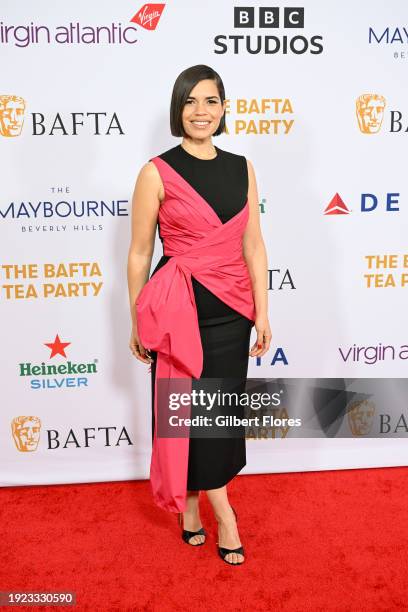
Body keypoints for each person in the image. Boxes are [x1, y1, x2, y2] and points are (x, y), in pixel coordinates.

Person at [127, 64, 272, 565]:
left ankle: (192, 508)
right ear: (178, 110)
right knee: (183, 416)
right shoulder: (156, 172)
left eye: (210, 101)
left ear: (224, 108)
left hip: (233, 313)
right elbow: (139, 253)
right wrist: (135, 319)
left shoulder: (242, 167)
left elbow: (254, 245)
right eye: (190, 102)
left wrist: (264, 312)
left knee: (218, 419)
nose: (200, 112)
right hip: (177, 315)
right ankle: (225, 516)